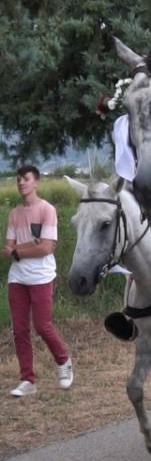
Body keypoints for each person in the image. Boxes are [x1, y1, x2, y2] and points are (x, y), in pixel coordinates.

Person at [5, 165, 73, 397]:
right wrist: (29, 246)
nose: (21, 183)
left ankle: (64, 363)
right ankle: (27, 380)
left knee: (42, 326)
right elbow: (7, 250)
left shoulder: (47, 210)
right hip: (17, 278)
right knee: (20, 329)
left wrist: (20, 249)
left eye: (25, 179)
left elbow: (45, 248)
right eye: (18, 179)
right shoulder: (14, 214)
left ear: (36, 183)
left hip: (42, 276)